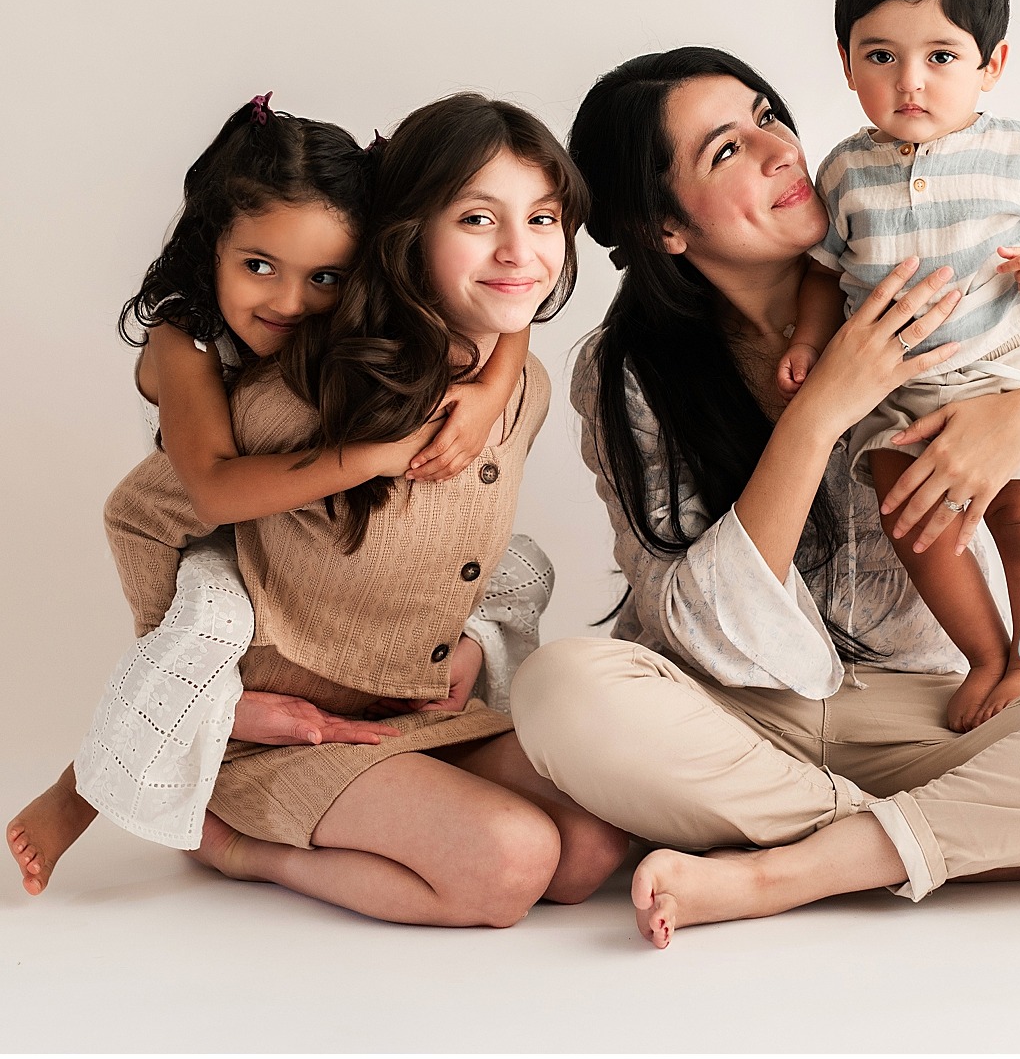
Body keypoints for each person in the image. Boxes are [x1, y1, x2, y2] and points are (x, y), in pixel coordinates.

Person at [508, 47, 1020, 949]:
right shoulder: (625, 372)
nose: (778, 150)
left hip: (937, 711)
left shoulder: (936, 276)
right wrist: (824, 406)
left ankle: (795, 864)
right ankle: (946, 835)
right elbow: (698, 628)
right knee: (561, 688)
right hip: (731, 720)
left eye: (769, 116)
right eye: (725, 151)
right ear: (664, 229)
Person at [94, 92, 628, 927]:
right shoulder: (309, 392)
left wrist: (476, 639)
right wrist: (201, 695)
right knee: (509, 866)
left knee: (592, 850)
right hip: (281, 730)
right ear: (408, 235)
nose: (521, 251)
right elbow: (144, 511)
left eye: (545, 218)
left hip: (411, 708)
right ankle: (237, 845)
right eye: (480, 219)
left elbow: (455, 545)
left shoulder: (520, 388)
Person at [7, 94, 540, 895]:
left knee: (514, 568)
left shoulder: (340, 326)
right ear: (210, 248)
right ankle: (87, 790)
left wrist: (496, 385)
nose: (289, 303)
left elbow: (512, 311)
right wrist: (371, 455)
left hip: (297, 527)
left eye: (324, 276)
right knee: (199, 640)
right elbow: (211, 490)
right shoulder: (183, 340)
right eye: (258, 266)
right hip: (209, 524)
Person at [778, 0, 1020, 731]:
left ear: (991, 65)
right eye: (881, 56)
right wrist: (806, 341)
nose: (911, 81)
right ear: (845, 65)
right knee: (915, 520)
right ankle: (984, 654)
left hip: (1009, 370)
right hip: (901, 391)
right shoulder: (842, 172)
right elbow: (820, 271)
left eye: (941, 57)